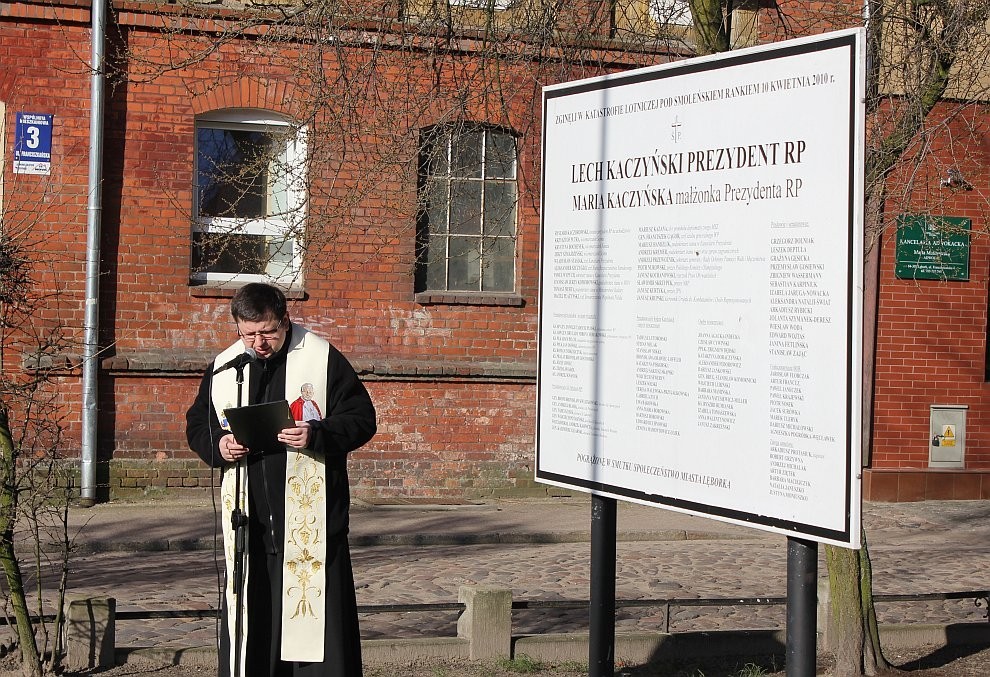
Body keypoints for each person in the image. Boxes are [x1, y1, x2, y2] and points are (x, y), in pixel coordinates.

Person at [186, 282, 376, 677]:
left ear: (285, 321)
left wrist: (316, 434)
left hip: (310, 527)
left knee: (319, 631)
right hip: (250, 524)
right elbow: (198, 425)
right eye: (248, 334)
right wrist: (219, 446)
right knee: (254, 625)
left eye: (267, 332)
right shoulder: (226, 367)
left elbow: (361, 419)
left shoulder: (321, 359)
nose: (258, 343)